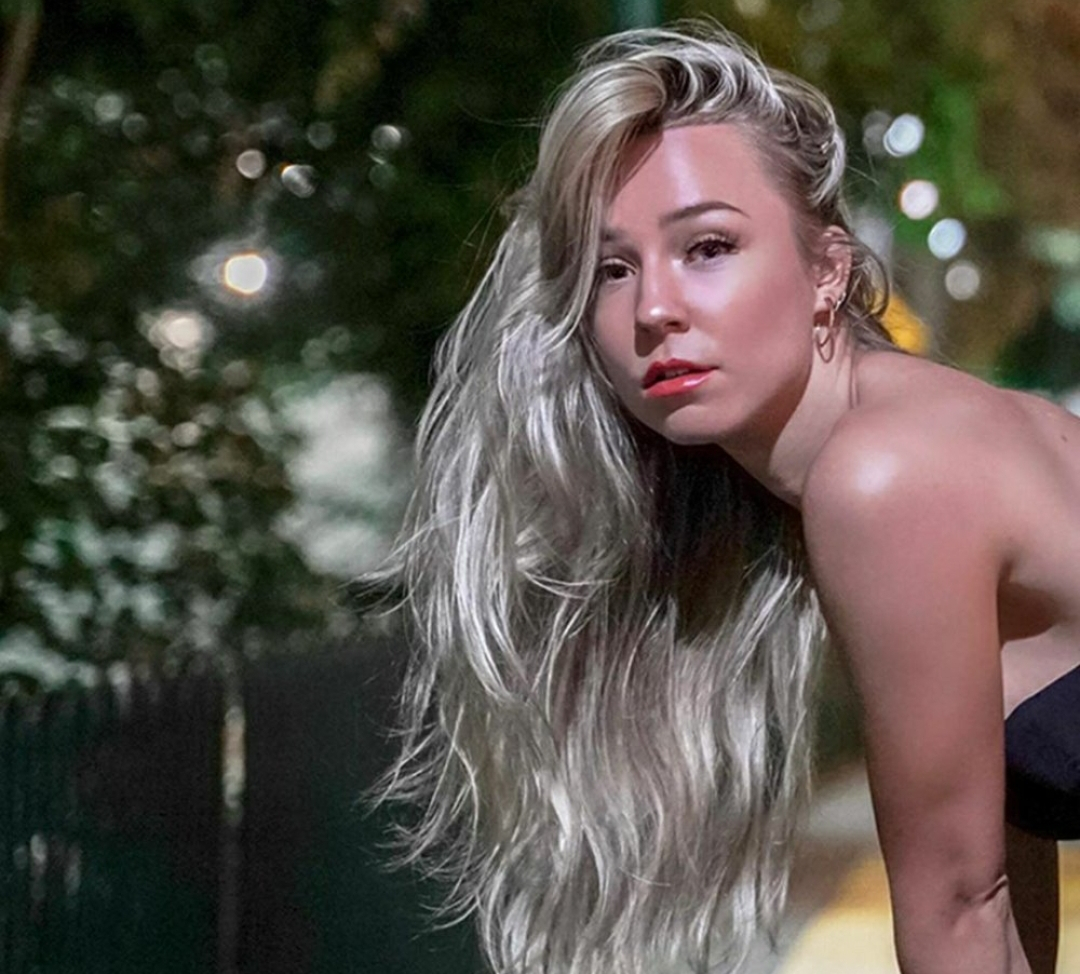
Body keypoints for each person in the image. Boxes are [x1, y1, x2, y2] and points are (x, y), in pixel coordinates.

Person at [367, 20, 1080, 974]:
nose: (654, 308)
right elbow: (997, 874)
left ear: (827, 269)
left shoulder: (885, 477)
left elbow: (958, 908)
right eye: (613, 268)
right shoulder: (933, 432)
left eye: (707, 246)